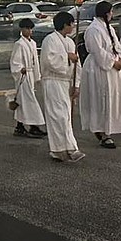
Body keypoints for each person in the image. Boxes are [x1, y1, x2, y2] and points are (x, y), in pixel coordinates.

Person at [78, 0, 121, 149]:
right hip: (99, 68)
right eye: (111, 12)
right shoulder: (94, 29)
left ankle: (109, 129)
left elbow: (117, 46)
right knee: (101, 99)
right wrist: (113, 62)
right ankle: (101, 131)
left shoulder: (109, 29)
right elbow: (97, 51)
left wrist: (120, 59)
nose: (113, 14)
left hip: (112, 70)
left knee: (112, 99)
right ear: (106, 13)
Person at [39, 11, 84, 163]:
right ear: (65, 24)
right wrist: (67, 57)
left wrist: (76, 85)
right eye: (72, 24)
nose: (73, 27)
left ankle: (61, 148)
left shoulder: (70, 42)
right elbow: (49, 61)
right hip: (53, 81)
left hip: (66, 82)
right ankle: (69, 148)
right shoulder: (50, 40)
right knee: (58, 115)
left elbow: (78, 65)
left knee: (65, 115)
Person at [9, 18, 46, 138]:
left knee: (22, 102)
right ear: (22, 29)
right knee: (29, 101)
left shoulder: (32, 43)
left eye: (31, 29)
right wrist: (20, 69)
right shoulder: (19, 44)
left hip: (30, 74)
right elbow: (15, 61)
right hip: (23, 76)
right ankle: (33, 126)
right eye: (27, 29)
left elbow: (35, 60)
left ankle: (20, 126)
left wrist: (37, 75)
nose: (29, 31)